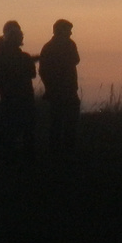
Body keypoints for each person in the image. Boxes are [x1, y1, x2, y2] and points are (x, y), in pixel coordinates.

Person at [0, 20, 36, 161]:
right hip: (23, 97)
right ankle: (25, 156)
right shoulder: (24, 57)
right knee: (25, 128)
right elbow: (32, 74)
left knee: (9, 127)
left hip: (7, 96)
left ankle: (6, 155)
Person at [38, 18, 81, 156]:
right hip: (60, 91)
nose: (70, 33)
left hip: (66, 90)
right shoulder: (60, 46)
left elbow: (75, 60)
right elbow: (75, 60)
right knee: (60, 123)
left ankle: (63, 152)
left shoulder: (51, 47)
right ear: (60, 31)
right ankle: (60, 153)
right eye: (68, 30)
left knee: (64, 123)